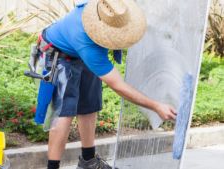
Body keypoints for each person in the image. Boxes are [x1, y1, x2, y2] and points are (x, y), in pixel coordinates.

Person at [36, 0, 178, 168]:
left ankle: (88, 160)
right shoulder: (88, 43)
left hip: (78, 50)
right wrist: (156, 106)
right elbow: (119, 86)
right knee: (64, 111)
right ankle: (52, 167)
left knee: (90, 103)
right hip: (58, 54)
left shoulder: (107, 8)